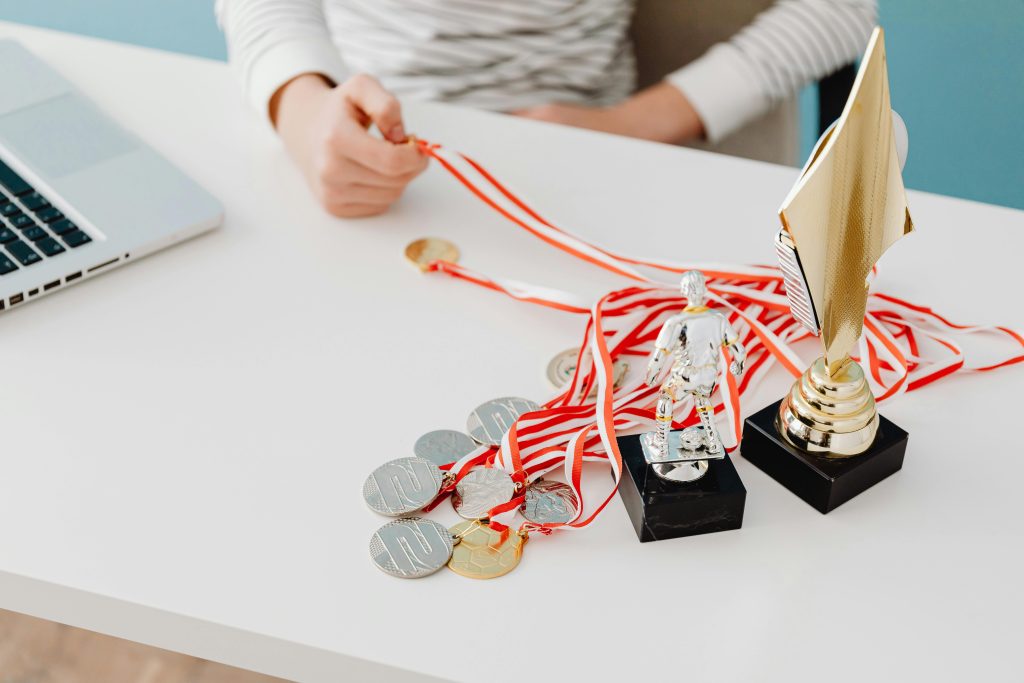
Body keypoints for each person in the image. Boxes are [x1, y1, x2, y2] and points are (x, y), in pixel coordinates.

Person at [216, 0, 876, 217]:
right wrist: (301, 109)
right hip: (363, 168)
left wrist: (635, 124)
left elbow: (842, 7)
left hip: (588, 181)